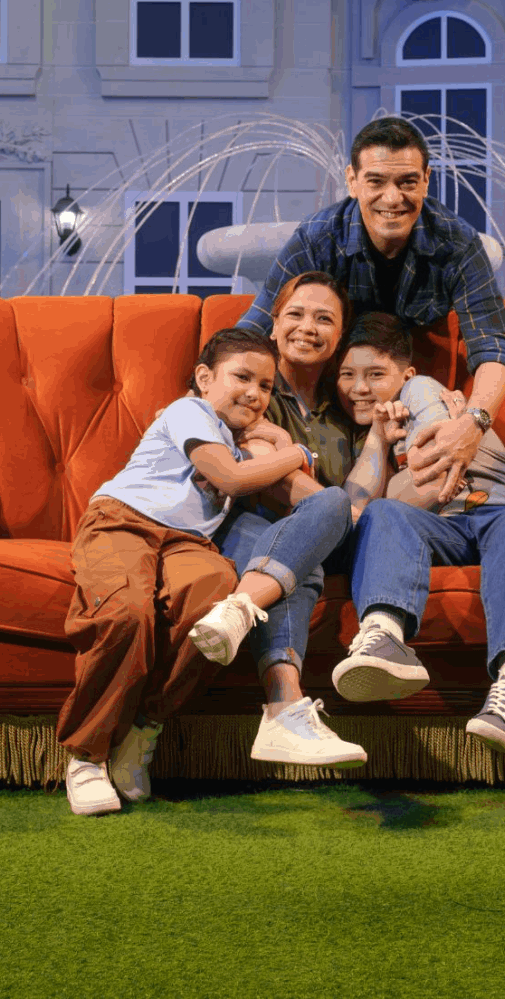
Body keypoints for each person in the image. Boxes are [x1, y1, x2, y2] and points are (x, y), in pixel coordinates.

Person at [57, 326, 354, 816]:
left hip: (190, 543)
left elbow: (312, 500)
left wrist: (280, 445)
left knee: (213, 608)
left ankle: (142, 729)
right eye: (242, 377)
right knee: (127, 612)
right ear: (204, 377)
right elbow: (231, 478)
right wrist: (299, 451)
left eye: (266, 386)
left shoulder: (242, 443)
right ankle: (87, 755)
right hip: (123, 520)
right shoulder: (188, 411)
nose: (255, 394)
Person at [190, 271, 448, 769]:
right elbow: (265, 475)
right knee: (298, 554)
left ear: (339, 335)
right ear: (273, 324)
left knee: (324, 521)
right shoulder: (256, 387)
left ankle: (243, 610)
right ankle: (285, 709)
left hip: (330, 540)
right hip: (254, 526)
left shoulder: (345, 403)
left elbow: (360, 494)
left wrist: (376, 439)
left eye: (324, 319)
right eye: (295, 314)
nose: (308, 327)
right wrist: (337, 510)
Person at [236, 116, 505, 509]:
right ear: (352, 181)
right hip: (337, 395)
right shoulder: (318, 238)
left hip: (409, 392)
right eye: (376, 181)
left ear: (426, 181)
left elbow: (493, 348)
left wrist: (474, 422)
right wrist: (200, 404)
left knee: (427, 408)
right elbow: (254, 330)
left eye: (407, 182)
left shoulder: (456, 244)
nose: (392, 198)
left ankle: (473, 511)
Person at [327, 312, 505, 756]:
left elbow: (436, 481)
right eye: (347, 375)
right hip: (446, 530)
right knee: (384, 513)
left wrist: (398, 483)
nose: (359, 388)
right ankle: (383, 637)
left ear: (406, 375)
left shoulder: (421, 392)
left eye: (375, 374)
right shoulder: (363, 430)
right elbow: (359, 511)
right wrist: (379, 441)